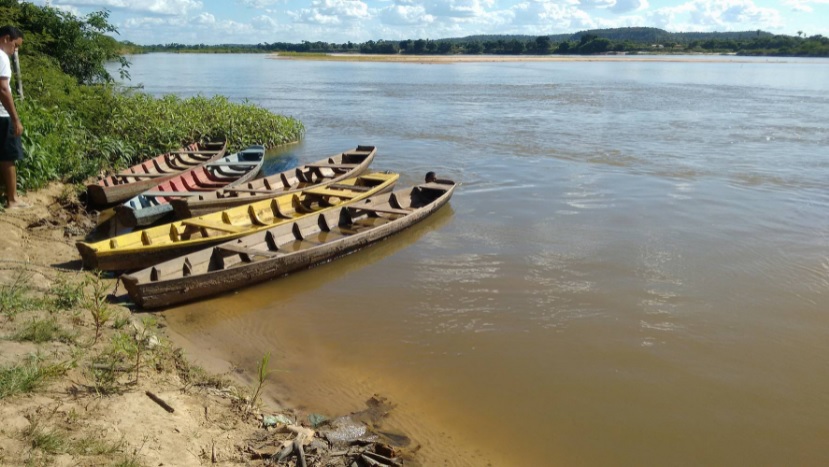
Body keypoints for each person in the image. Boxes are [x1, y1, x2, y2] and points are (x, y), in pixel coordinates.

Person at [0, 25, 26, 209]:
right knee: (8, 156)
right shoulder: (2, 57)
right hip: (1, 115)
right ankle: (12, 200)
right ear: (6, 39)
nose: (14, 51)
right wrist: (16, 119)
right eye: (15, 46)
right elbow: (3, 89)